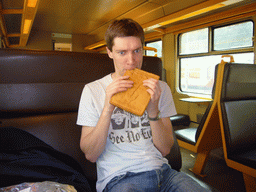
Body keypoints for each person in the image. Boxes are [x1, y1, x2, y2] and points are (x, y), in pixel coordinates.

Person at [77, 18, 209, 192]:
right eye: (122, 52)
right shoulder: (93, 90)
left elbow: (165, 149)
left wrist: (153, 111)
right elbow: (91, 155)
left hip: (164, 173)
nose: (131, 61)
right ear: (110, 52)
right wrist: (108, 108)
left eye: (137, 51)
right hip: (120, 178)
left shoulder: (160, 88)